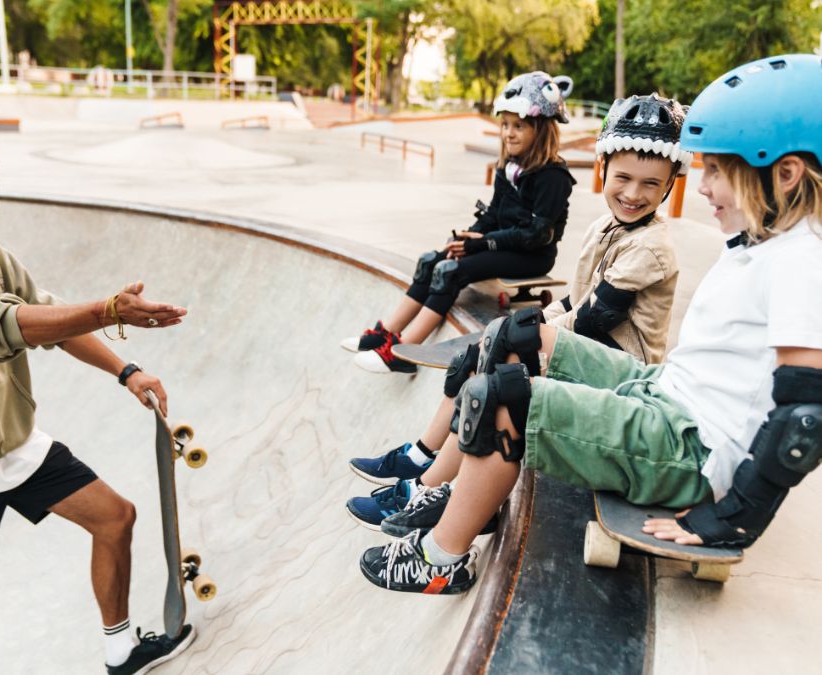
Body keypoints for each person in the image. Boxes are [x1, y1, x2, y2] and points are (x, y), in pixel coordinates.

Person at [356, 53, 822, 594]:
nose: (702, 188)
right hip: (663, 393)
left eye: (717, 171)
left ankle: (441, 561)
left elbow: (804, 419)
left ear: (785, 173)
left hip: (689, 446)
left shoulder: (799, 263)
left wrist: (732, 517)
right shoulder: (764, 244)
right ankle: (449, 494)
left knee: (504, 399)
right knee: (513, 339)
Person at [346, 94, 689, 532]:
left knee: (495, 378)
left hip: (620, 373)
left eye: (651, 184)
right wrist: (510, 330)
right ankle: (420, 460)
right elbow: (575, 302)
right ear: (603, 169)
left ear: (669, 185)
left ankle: (431, 489)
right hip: (589, 350)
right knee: (478, 355)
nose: (633, 194)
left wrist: (512, 334)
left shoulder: (651, 247)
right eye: (623, 177)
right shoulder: (603, 227)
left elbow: (591, 323)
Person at [0, 120, 192, 673]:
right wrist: (108, 309)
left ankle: (120, 651)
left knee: (115, 518)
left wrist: (127, 371)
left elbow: (44, 312)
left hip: (10, 442)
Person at [341, 71, 577, 374]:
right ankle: (386, 332)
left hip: (532, 256)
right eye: (505, 125)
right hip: (505, 245)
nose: (509, 133)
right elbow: (493, 215)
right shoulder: (508, 168)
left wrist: (482, 243)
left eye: (518, 126)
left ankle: (403, 353)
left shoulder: (552, 176)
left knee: (452, 272)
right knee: (433, 261)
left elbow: (536, 234)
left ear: (541, 129)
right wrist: (469, 238)